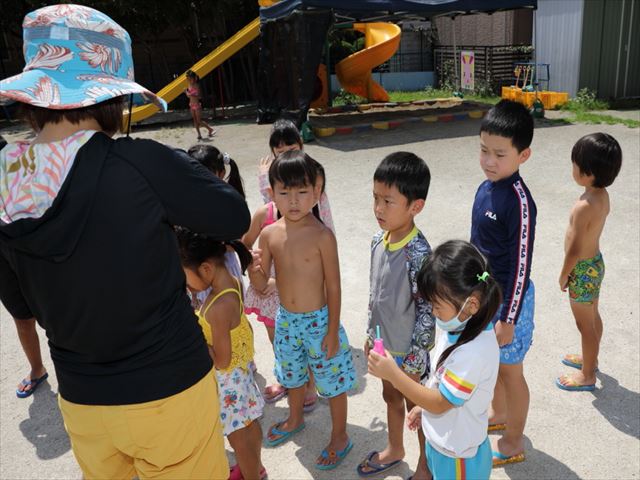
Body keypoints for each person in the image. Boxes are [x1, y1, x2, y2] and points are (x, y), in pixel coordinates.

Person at [0, 5, 249, 478]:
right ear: (113, 98)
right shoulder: (139, 162)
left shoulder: (4, 180)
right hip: (169, 387)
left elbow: (19, 300)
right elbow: (232, 215)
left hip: (82, 398)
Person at [248, 150, 357, 470]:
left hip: (320, 322)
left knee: (333, 381)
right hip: (286, 320)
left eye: (302, 191)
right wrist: (254, 268)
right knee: (292, 375)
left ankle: (340, 435)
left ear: (316, 192)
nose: (293, 200)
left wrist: (332, 330)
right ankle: (295, 418)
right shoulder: (269, 234)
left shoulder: (323, 236)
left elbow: (334, 287)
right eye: (285, 192)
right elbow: (260, 284)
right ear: (272, 193)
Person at [368, 240, 501, 480]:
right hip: (444, 445)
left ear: (471, 304)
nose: (432, 311)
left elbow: (441, 402)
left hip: (459, 459)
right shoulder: (459, 328)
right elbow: (442, 384)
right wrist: (423, 407)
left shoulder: (474, 353)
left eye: (437, 306)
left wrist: (393, 375)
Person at [358, 152, 434, 480]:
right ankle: (395, 447)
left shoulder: (419, 253)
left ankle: (425, 465)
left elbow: (428, 310)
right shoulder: (378, 240)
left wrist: (416, 358)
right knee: (390, 396)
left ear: (415, 206)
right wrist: (370, 335)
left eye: (388, 201)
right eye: (375, 198)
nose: (378, 208)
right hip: (383, 345)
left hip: (409, 352)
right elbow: (375, 294)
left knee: (417, 408)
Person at [471, 99, 537, 467]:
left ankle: (514, 440)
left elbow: (521, 264)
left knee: (511, 372)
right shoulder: (485, 188)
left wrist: (509, 318)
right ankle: (499, 413)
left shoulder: (520, 202)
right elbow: (476, 245)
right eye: (484, 150)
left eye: (499, 154)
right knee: (492, 364)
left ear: (523, 155)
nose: (489, 161)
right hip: (485, 296)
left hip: (512, 301)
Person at [176, 228, 266, 480]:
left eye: (186, 279)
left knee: (238, 439)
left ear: (205, 268)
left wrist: (195, 334)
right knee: (250, 426)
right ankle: (256, 468)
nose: (187, 286)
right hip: (241, 376)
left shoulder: (218, 306)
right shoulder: (233, 282)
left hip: (228, 384)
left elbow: (222, 360)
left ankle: (251, 474)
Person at [556, 133, 622, 391]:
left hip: (581, 270)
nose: (572, 167)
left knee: (584, 325)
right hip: (595, 264)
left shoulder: (583, 206)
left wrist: (564, 274)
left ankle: (587, 375)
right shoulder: (602, 195)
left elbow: (573, 250)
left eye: (575, 164)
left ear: (588, 172)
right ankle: (590, 359)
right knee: (593, 316)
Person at [257, 119, 334, 231]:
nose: (288, 154)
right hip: (285, 231)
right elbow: (271, 205)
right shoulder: (271, 173)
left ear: (301, 144)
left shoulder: (313, 170)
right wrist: (264, 177)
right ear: (273, 151)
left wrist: (330, 233)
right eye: (281, 152)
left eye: (292, 149)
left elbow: (324, 206)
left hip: (313, 229)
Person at [185, 70, 215, 140]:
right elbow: (189, 96)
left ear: (195, 78)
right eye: (188, 79)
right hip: (191, 105)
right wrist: (186, 93)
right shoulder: (189, 85)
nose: (189, 80)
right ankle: (199, 134)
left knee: (199, 121)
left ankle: (210, 129)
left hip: (197, 105)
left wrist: (190, 94)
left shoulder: (197, 85)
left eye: (190, 79)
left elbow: (199, 96)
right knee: (195, 120)